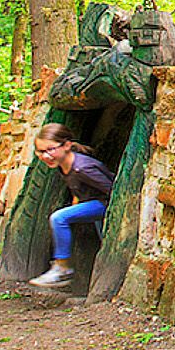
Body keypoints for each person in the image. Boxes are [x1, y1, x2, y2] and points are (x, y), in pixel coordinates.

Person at [28, 123, 116, 288]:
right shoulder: (64, 165)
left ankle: (63, 268)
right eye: (40, 151)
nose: (45, 156)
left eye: (50, 149)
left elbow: (114, 191)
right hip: (94, 204)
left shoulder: (83, 168)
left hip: (106, 205)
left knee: (59, 218)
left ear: (67, 145)